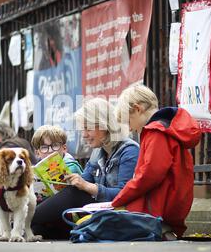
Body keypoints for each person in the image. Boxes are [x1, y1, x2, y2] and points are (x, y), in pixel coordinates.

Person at [31, 98, 140, 239]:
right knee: (38, 228)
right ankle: (23, 222)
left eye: (88, 128)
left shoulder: (129, 150)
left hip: (118, 213)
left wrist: (89, 187)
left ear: (104, 125)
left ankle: (18, 222)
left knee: (73, 194)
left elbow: (125, 195)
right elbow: (82, 182)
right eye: (83, 129)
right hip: (96, 213)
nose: (84, 135)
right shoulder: (98, 151)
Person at [111, 84, 202, 239]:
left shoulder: (155, 132)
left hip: (160, 203)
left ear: (138, 109)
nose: (130, 129)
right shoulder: (165, 130)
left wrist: (119, 198)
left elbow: (150, 174)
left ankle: (160, 229)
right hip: (173, 197)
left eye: (128, 121)